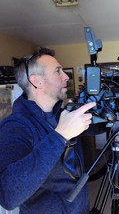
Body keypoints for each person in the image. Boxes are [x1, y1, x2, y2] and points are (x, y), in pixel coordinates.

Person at [0, 47, 98, 214]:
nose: (66, 76)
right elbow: (8, 196)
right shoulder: (15, 127)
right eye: (58, 71)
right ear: (36, 81)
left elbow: (93, 126)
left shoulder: (60, 114)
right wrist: (60, 136)